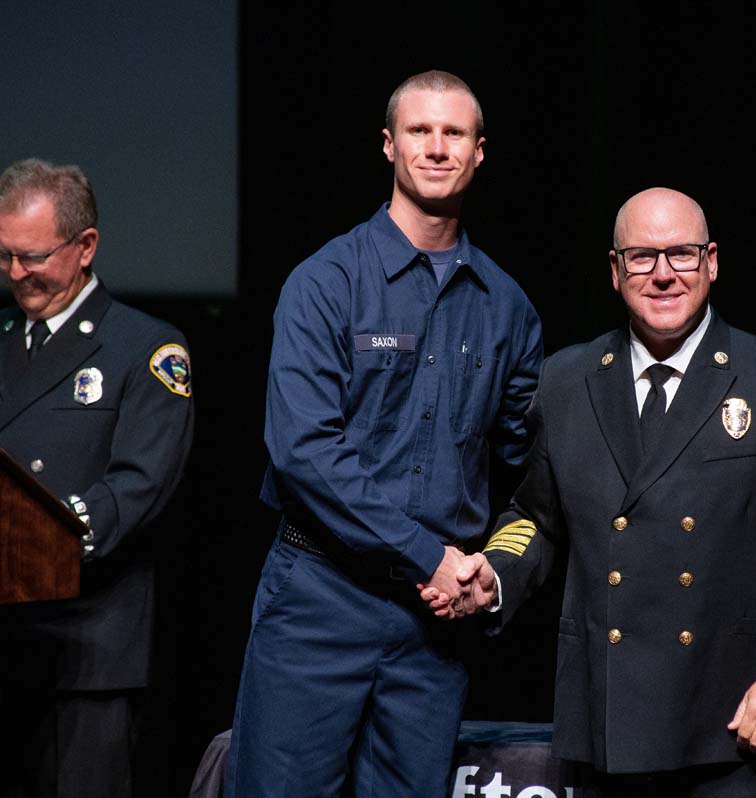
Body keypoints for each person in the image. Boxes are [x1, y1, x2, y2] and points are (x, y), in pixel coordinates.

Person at [429, 187, 756, 796]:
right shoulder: (566, 380)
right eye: (642, 257)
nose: (663, 275)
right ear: (616, 271)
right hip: (611, 732)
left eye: (682, 255)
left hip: (743, 730)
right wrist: (495, 575)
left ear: (711, 262)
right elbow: (536, 517)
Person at [223, 70, 542, 797]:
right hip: (319, 601)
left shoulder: (510, 309)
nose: (437, 147)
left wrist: (488, 575)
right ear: (389, 144)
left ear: (480, 152)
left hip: (434, 626)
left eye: (454, 133)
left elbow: (530, 473)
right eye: (420, 131)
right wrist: (427, 556)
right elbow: (304, 453)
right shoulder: (325, 282)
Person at [0, 158, 195, 798]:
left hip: (86, 647)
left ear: (85, 247)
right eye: (4, 257)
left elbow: (139, 485)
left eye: (31, 257)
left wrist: (45, 539)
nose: (16, 274)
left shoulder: (145, 347)